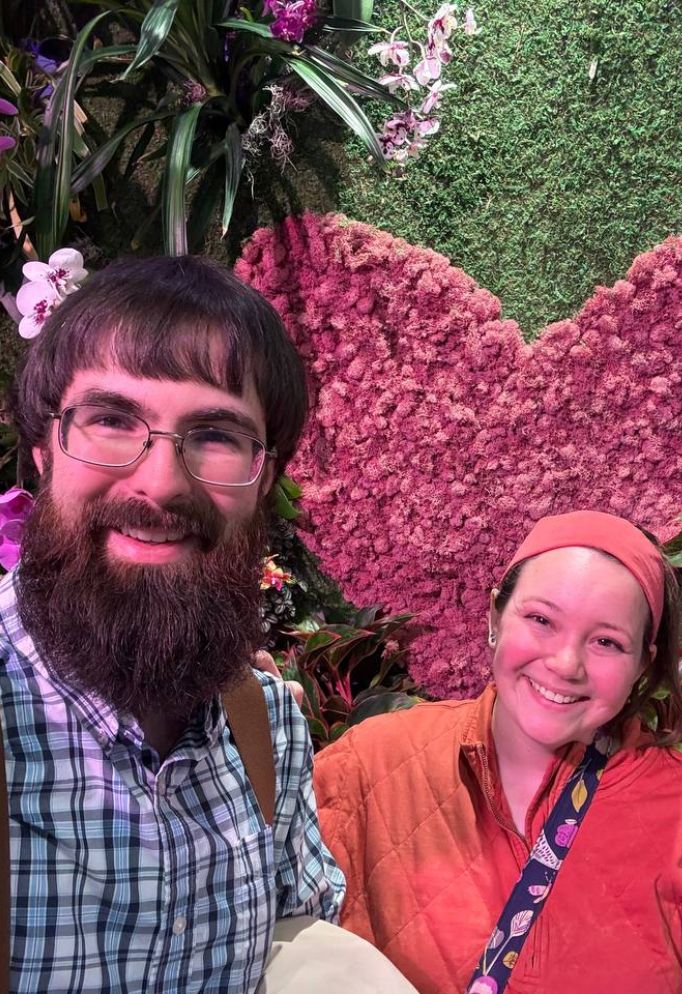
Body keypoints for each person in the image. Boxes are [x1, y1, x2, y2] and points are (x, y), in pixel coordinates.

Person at [0, 256, 415, 994]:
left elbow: (299, 949)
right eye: (110, 420)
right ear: (42, 450)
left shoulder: (266, 729)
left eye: (216, 434)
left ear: (266, 478)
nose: (161, 484)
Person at [314, 510, 682, 994]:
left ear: (642, 664)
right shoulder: (371, 762)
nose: (566, 664)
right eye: (541, 620)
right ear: (495, 616)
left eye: (607, 641)